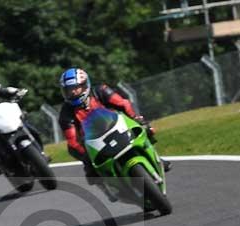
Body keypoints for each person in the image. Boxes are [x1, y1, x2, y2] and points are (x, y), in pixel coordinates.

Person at [57, 67, 170, 199]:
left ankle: (156, 157)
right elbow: (72, 140)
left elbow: (123, 104)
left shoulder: (100, 91)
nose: (73, 92)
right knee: (87, 165)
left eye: (76, 88)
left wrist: (135, 118)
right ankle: (105, 186)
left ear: (85, 85)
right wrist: (86, 154)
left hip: (116, 126)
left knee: (146, 128)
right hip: (92, 140)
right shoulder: (65, 113)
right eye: (68, 90)